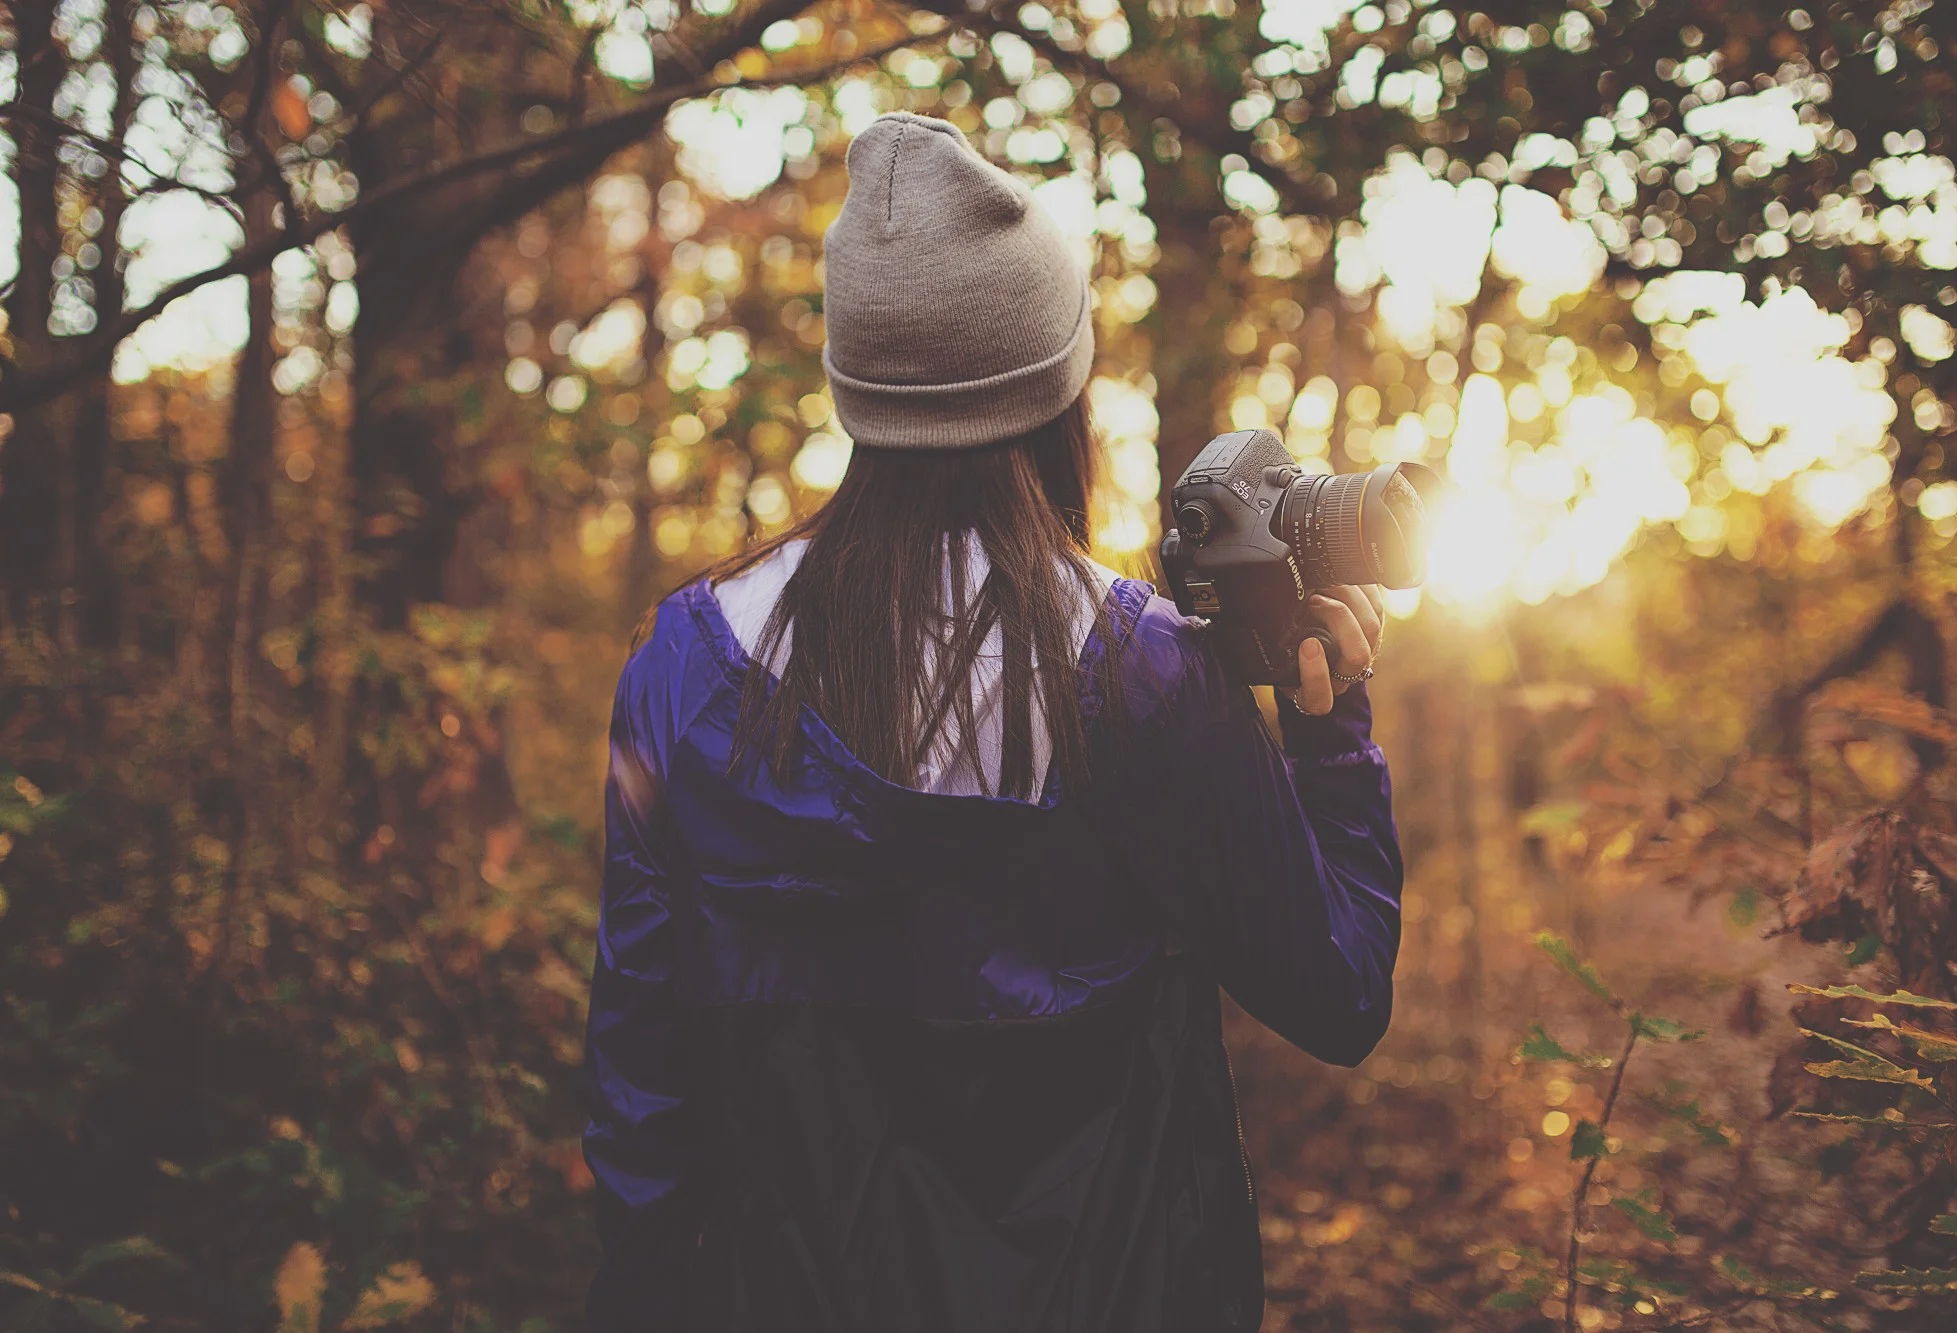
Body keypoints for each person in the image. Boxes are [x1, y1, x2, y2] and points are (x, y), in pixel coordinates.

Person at [583, 112, 1402, 1332]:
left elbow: (641, 1081)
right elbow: (1338, 994)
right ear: (1057, 388)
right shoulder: (1142, 674)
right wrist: (1329, 729)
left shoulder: (680, 670)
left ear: (854, 387)